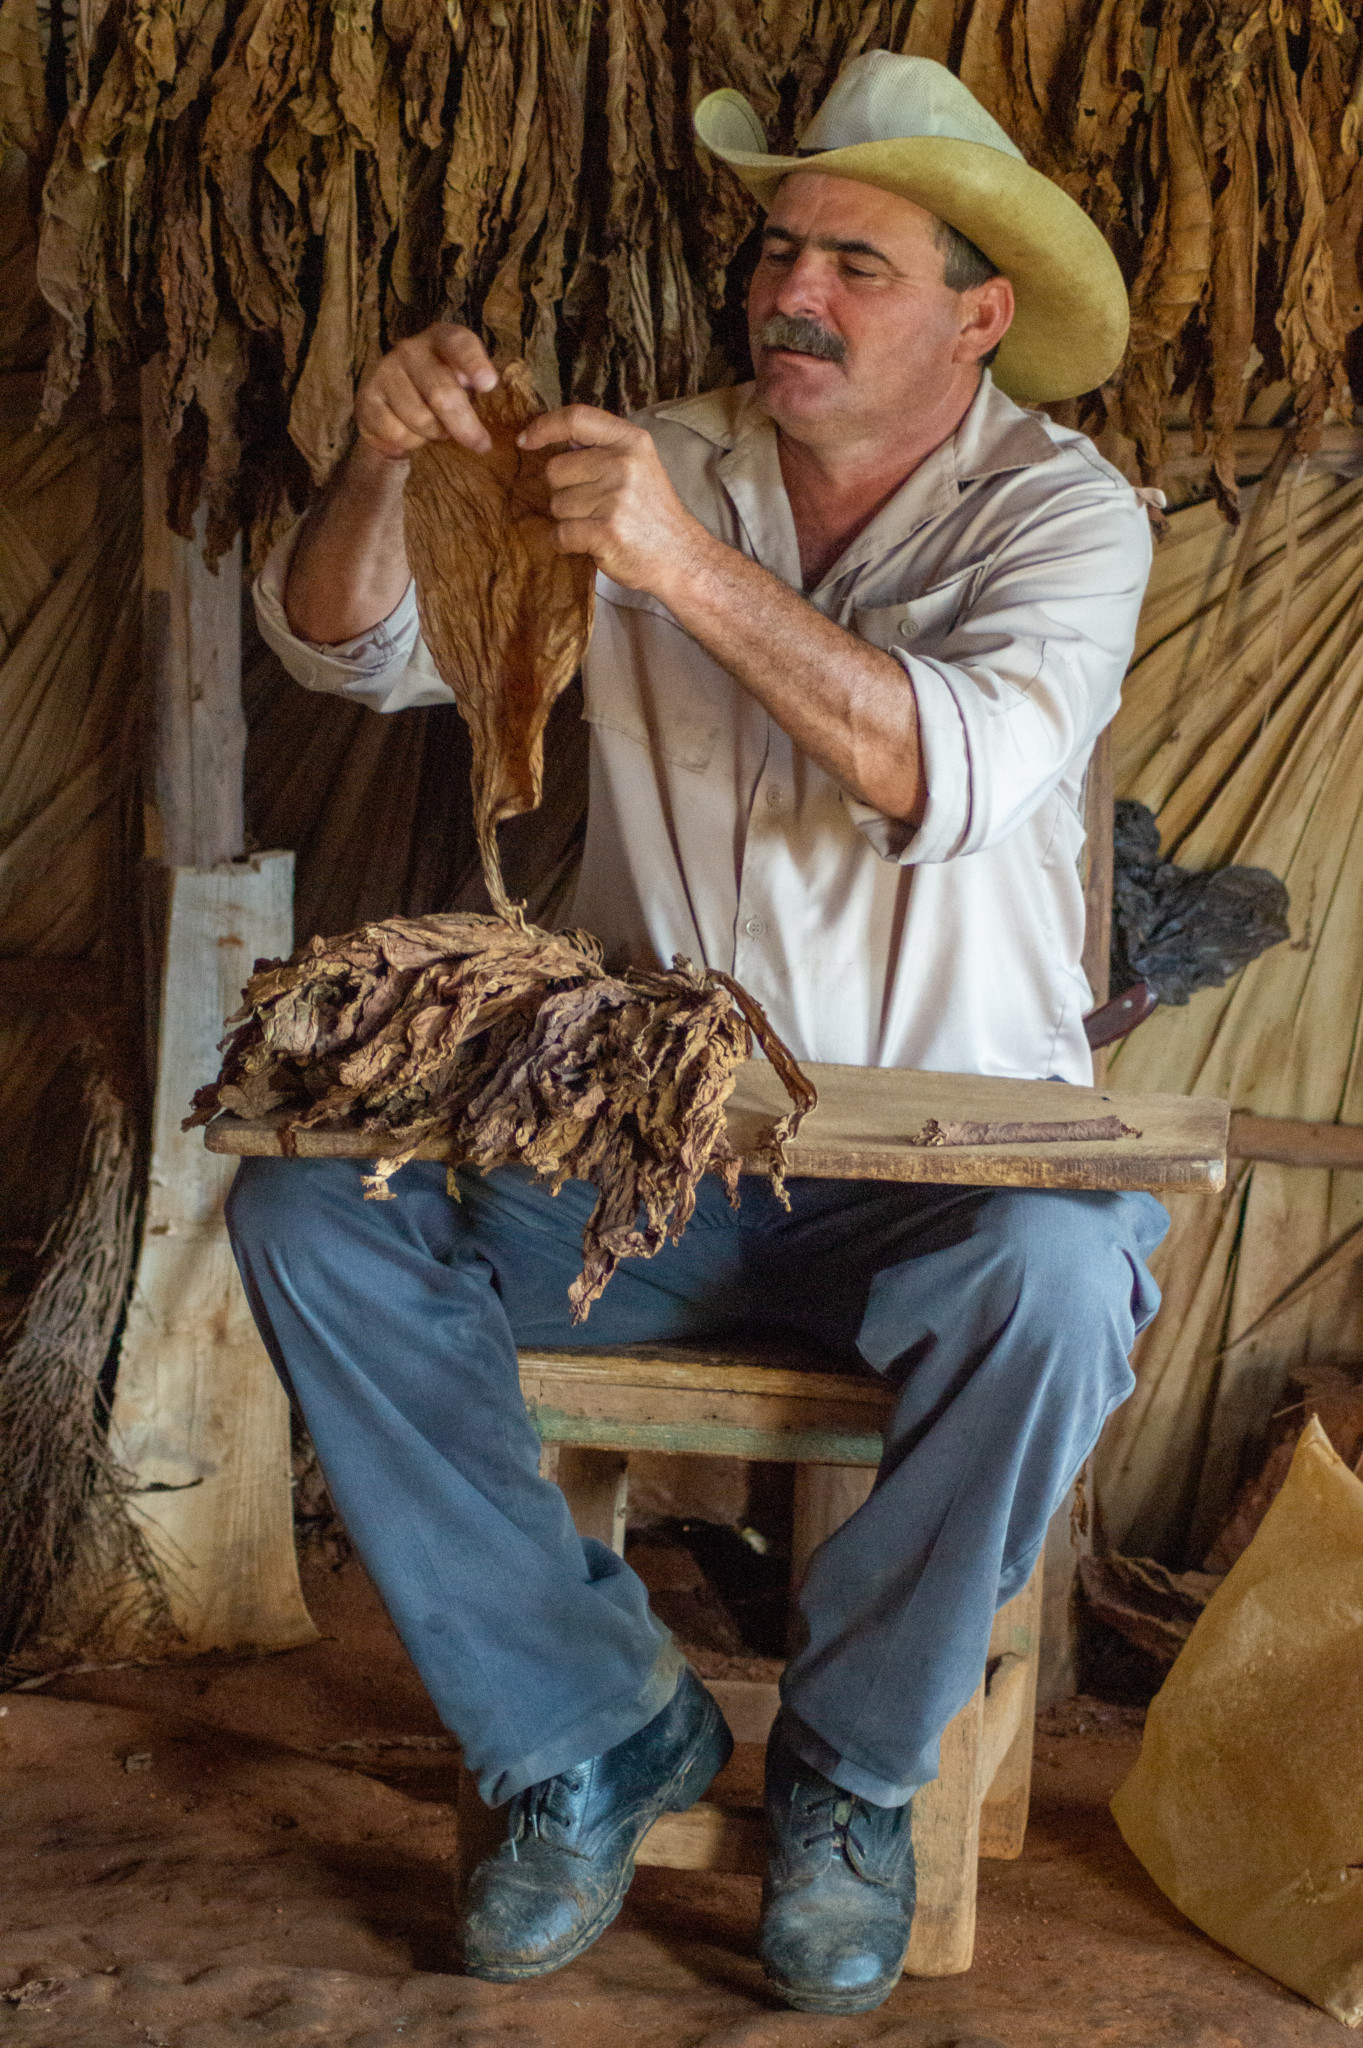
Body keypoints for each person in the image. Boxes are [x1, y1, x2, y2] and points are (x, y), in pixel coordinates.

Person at [228, 51, 1168, 2017]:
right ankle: (584, 1725)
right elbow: (346, 645)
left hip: (945, 1183)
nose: (791, 291)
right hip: (647, 1163)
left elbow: (957, 770)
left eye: (856, 260)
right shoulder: (661, 457)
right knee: (318, 1218)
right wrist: (385, 474)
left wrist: (674, 565)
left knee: (1067, 1283)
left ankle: (851, 1767)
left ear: (978, 314)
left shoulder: (1063, 518)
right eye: (776, 246)